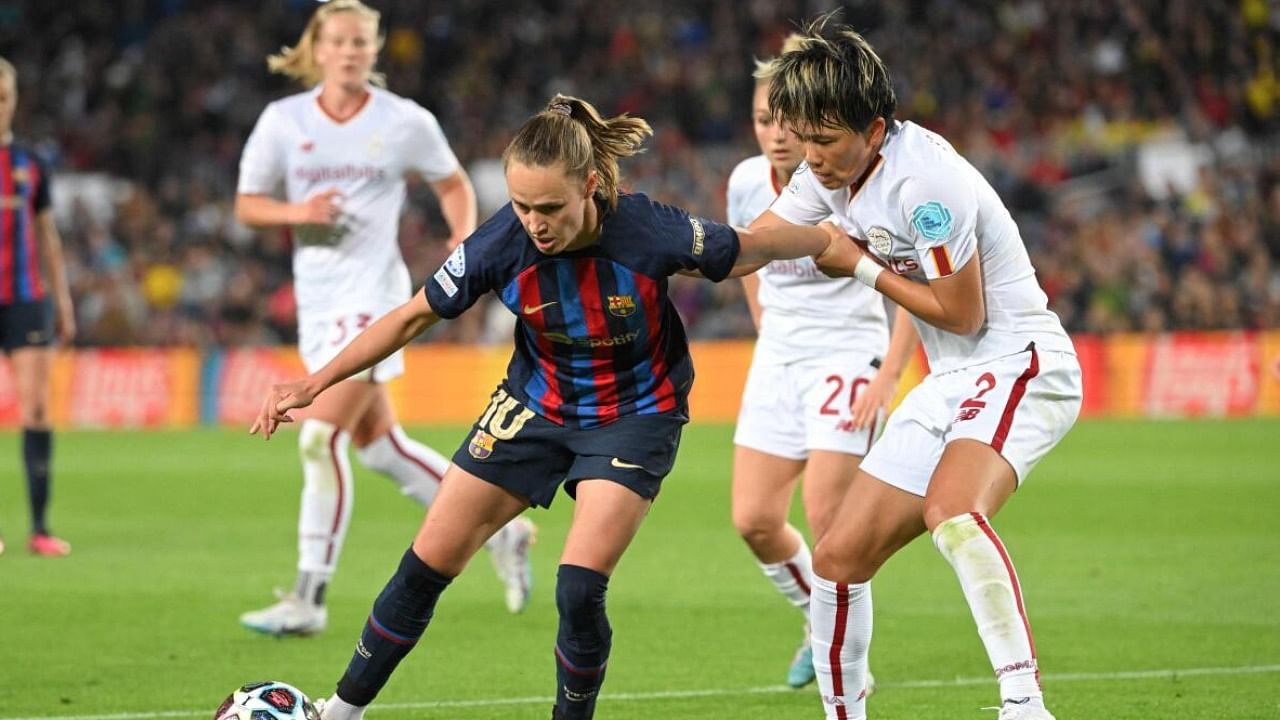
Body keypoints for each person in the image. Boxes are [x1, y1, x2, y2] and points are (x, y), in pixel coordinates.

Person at [250, 94, 841, 720]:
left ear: (591, 186)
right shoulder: (500, 242)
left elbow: (746, 248)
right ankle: (340, 712)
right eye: (523, 205)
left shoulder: (647, 230)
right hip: (535, 405)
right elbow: (414, 313)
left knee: (578, 588)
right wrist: (315, 382)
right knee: (427, 562)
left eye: (551, 207)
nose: (534, 222)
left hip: (635, 414)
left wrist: (830, 240)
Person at [757, 21, 1083, 720]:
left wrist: (861, 266)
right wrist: (662, 244)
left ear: (874, 129)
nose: (810, 158)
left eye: (826, 140)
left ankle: (1024, 704)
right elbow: (762, 241)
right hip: (952, 382)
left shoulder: (923, 184)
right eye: (803, 139)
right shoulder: (834, 175)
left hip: (1021, 361)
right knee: (838, 560)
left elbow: (962, 315)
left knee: (953, 512)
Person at [233, 0, 534, 635]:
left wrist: (460, 238)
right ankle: (504, 534)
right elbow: (248, 205)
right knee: (381, 448)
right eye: (339, 41)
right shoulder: (283, 122)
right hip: (318, 302)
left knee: (319, 437)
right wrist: (299, 214)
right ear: (317, 48)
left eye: (362, 42)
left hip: (374, 297)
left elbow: (452, 182)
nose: (350, 52)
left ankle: (308, 598)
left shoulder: (403, 121)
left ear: (375, 49)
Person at [726, 37, 917, 689]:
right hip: (779, 356)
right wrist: (761, 321)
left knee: (829, 522)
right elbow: (746, 256)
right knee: (753, 519)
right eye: (763, 120)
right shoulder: (746, 182)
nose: (776, 135)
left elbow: (911, 282)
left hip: (848, 354)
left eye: (786, 121)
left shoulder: (844, 182)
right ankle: (820, 622)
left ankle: (848, 669)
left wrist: (889, 376)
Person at [0, 57, 76, 558]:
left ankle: (40, 527)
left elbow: (47, 236)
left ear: (14, 99)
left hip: (27, 298)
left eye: (2, 95)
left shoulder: (30, 161)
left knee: (38, 408)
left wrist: (63, 298)